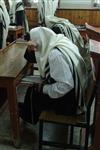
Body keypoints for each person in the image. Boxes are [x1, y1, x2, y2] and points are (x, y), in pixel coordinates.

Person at [19, 27, 93, 124]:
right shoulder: (58, 41)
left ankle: (28, 117)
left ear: (40, 41)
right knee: (34, 89)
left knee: (33, 91)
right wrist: (29, 49)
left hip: (69, 103)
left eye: (33, 42)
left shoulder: (55, 55)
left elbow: (66, 86)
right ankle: (26, 110)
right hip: (75, 93)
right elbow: (34, 57)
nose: (34, 48)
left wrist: (43, 88)